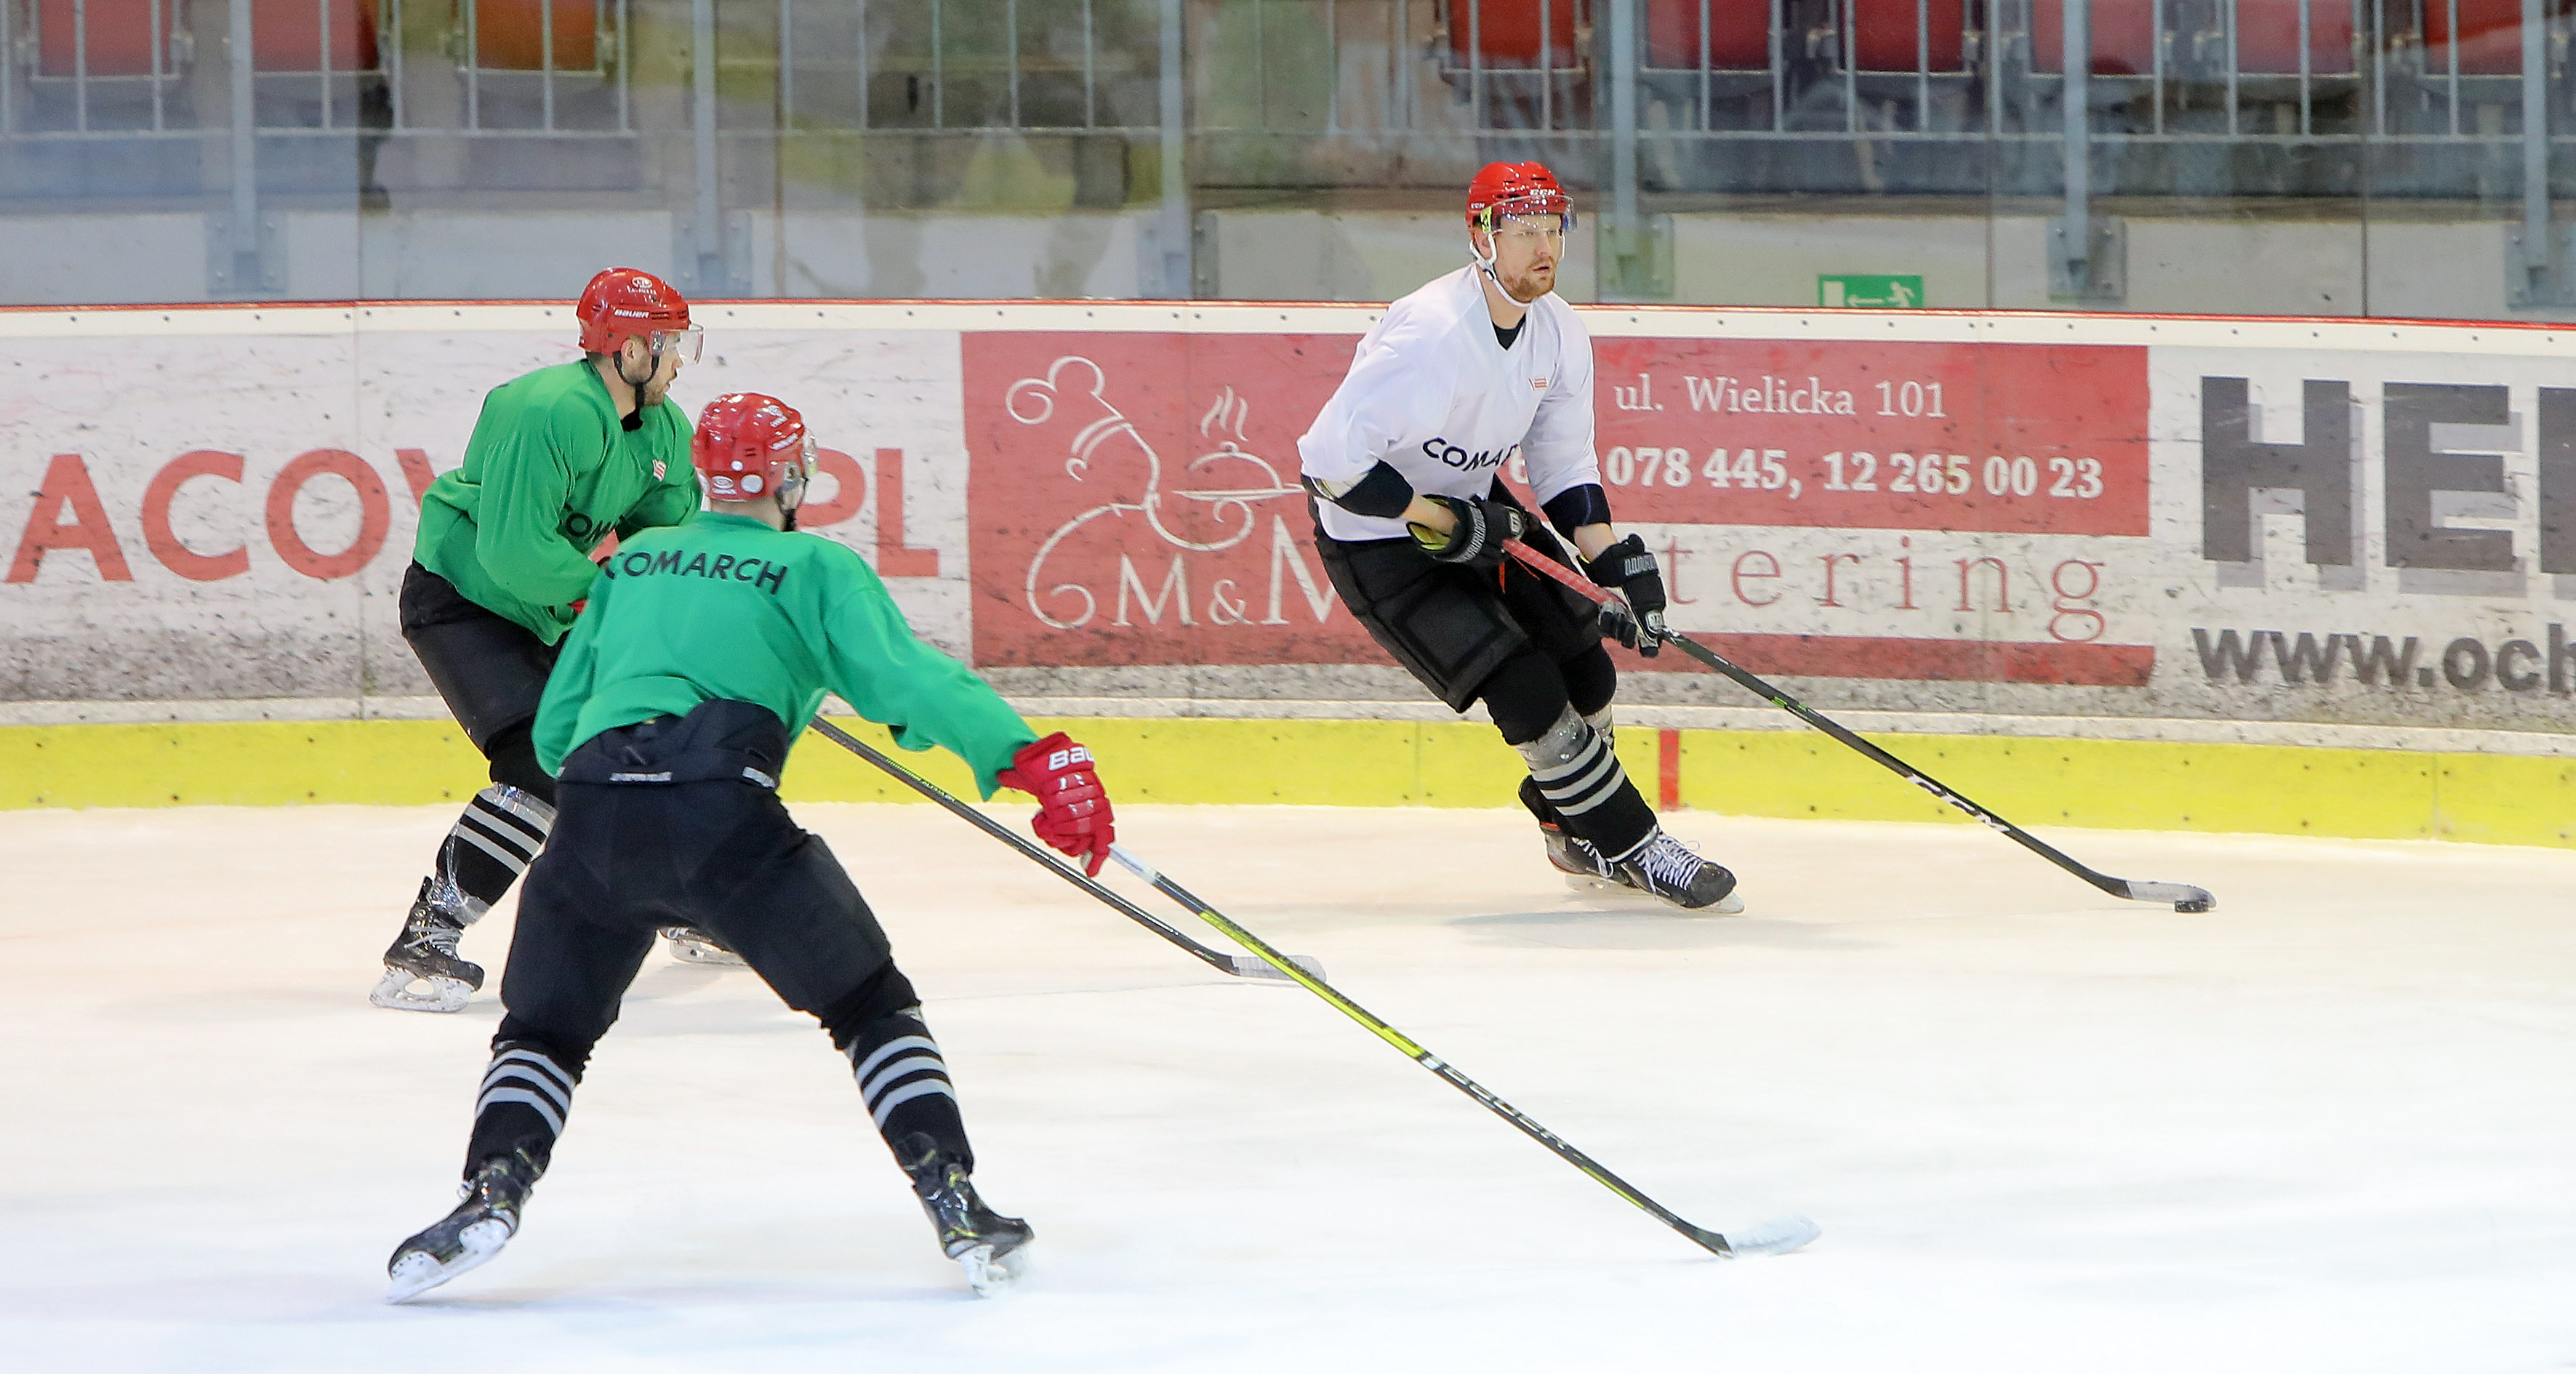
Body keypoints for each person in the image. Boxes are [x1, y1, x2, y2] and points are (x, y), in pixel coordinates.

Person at [386, 393, 1113, 1301]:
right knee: (871, 1007)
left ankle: (489, 1194)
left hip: (592, 822)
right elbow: (906, 680)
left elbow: (561, 726)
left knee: (543, 1032)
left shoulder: (636, 561)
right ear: (794, 475)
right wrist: (1031, 758)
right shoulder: (816, 566)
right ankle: (953, 1197)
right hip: (726, 824)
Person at [1295, 161, 1741, 912]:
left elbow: (1564, 465)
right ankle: (1635, 847)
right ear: (1482, 236)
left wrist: (1615, 564)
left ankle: (1572, 828)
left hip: (1474, 510)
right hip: (1379, 538)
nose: (1545, 246)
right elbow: (1328, 465)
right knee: (1523, 685)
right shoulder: (1430, 332)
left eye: (1553, 228)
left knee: (1588, 674)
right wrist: (1446, 521)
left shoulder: (1559, 331)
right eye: (1524, 229)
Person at [374, 267, 737, 1014]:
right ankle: (429, 936)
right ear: (630, 349)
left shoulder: (666, 430)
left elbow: (658, 540)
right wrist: (608, 598)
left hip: (557, 607)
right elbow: (512, 552)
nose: (679, 360)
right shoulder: (543, 410)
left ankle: (674, 902)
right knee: (539, 760)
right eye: (670, 344)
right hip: (467, 604)